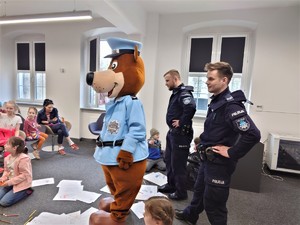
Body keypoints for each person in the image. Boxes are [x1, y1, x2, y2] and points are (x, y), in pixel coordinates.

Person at [175, 62, 261, 225]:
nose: (206, 81)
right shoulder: (217, 102)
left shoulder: (231, 106)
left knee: (214, 204)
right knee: (199, 192)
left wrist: (232, 152)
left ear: (224, 80)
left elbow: (253, 134)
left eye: (211, 78)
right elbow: (217, 130)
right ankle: (190, 215)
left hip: (219, 164)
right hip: (207, 159)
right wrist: (202, 141)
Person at [158, 69, 196, 200]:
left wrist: (181, 122)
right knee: (168, 159)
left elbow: (190, 107)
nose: (166, 83)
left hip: (181, 135)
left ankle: (181, 192)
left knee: (178, 164)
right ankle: (171, 184)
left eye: (167, 80)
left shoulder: (184, 93)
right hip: (173, 133)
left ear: (175, 79)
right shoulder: (177, 93)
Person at [0, 136, 34, 207]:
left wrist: (8, 182)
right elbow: (6, 170)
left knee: (4, 202)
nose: (4, 145)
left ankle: (26, 191)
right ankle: (12, 189)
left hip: (22, 183)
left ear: (14, 148)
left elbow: (25, 175)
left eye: (7, 144)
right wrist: (3, 177)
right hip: (11, 181)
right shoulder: (7, 158)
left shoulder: (24, 158)